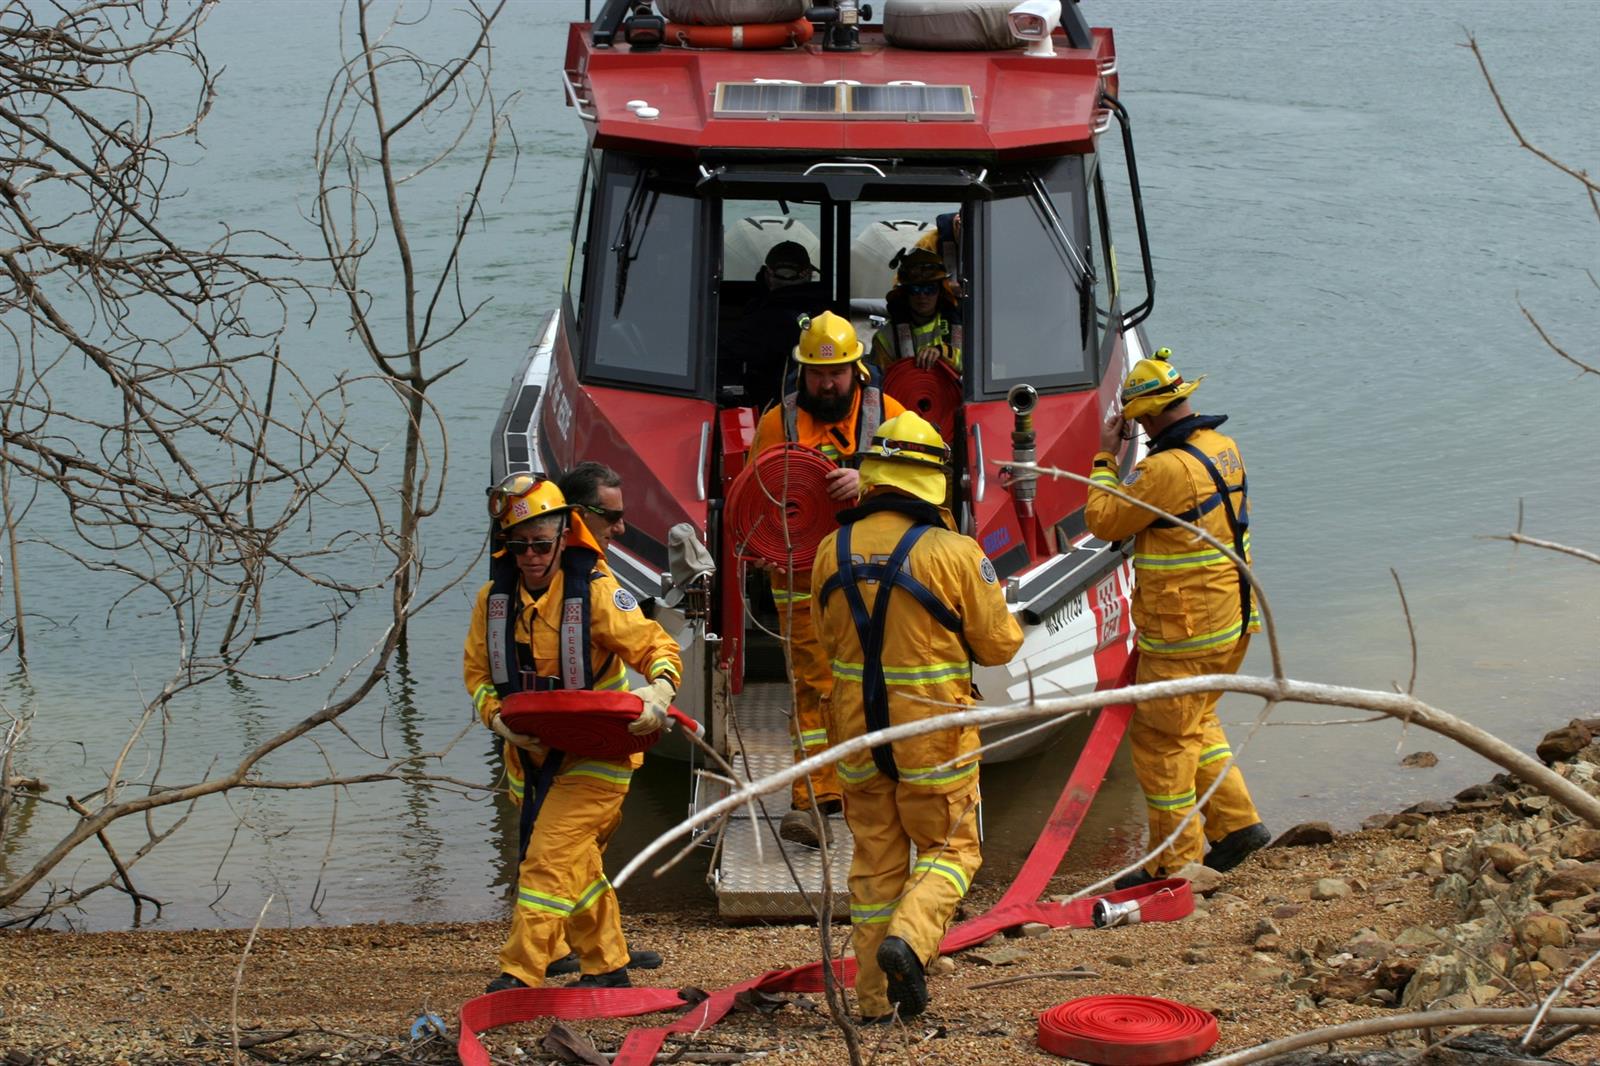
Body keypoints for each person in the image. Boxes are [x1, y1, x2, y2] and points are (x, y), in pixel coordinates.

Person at [810, 411, 1023, 1022]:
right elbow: (999, 646)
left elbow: (828, 643)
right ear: (933, 481)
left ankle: (875, 1001)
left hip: (853, 731)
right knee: (950, 849)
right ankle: (913, 938)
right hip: (931, 734)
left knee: (875, 861)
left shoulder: (832, 548)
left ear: (875, 476)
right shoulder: (956, 553)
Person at [464, 474, 682, 992]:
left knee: (544, 861)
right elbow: (477, 676)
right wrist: (497, 721)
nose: (532, 556)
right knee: (575, 864)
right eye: (520, 546)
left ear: (565, 535)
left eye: (542, 544)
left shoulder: (598, 595)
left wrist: (659, 694)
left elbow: (659, 649)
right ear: (506, 546)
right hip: (531, 758)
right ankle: (608, 969)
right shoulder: (491, 603)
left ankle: (520, 972)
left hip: (599, 755)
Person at [1084, 350, 1270, 888]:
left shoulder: (1163, 469)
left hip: (1183, 631)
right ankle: (1237, 828)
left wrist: (1104, 456)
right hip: (1234, 620)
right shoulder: (1223, 448)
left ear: (1145, 418)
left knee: (1161, 743)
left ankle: (1175, 861)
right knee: (1196, 723)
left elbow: (1103, 520)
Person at [747, 310, 907, 848]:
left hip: (871, 570)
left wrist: (870, 477)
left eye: (837, 372)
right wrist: (764, 548)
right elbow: (755, 496)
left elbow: (929, 480)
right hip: (800, 573)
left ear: (856, 370)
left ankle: (868, 785)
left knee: (874, 680)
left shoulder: (890, 416)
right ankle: (811, 801)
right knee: (814, 688)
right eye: (817, 374)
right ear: (803, 374)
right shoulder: (778, 423)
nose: (827, 382)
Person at [718, 240, 829, 411]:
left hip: (769, 405)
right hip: (812, 402)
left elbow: (726, 354)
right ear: (807, 275)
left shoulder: (761, 319)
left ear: (768, 275)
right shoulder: (825, 315)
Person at [871, 246, 962, 374]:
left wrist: (943, 351)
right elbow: (877, 382)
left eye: (930, 288)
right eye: (915, 289)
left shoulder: (961, 326)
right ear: (905, 293)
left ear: (941, 291)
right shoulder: (885, 339)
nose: (922, 296)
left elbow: (976, 366)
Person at [560, 461, 626, 555]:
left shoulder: (592, 564)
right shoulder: (547, 566)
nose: (621, 529)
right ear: (579, 513)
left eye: (620, 516)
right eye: (612, 517)